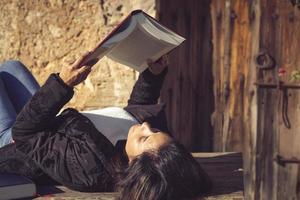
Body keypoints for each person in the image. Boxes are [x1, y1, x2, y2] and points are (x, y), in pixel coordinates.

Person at [0, 54, 212, 199]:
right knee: (11, 67)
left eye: (145, 136)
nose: (146, 126)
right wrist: (153, 75)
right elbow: (135, 112)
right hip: (47, 123)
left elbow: (25, 132)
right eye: (156, 131)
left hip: (16, 142)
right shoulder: (147, 146)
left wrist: (63, 84)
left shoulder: (88, 166)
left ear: (135, 164)